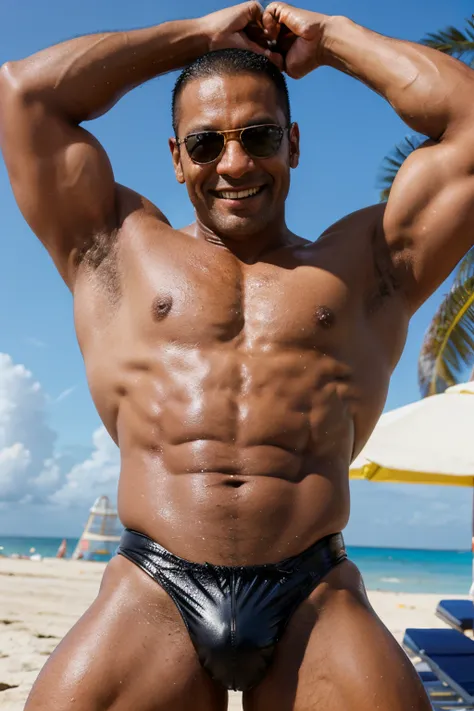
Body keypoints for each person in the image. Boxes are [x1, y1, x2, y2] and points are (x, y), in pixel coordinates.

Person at [1, 2, 473, 709]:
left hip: (313, 594)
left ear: (294, 143)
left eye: (259, 137)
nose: (234, 163)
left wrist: (335, 38)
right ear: (175, 155)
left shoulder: (367, 266)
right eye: (205, 144)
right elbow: (25, 93)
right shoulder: (117, 247)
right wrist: (194, 37)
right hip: (154, 588)